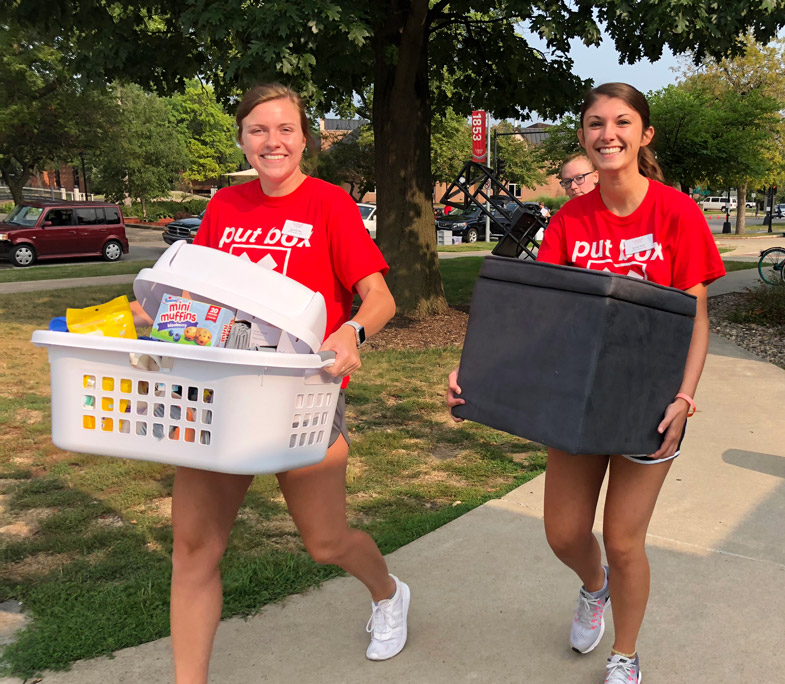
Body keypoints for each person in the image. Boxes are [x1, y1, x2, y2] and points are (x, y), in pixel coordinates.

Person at [447, 83, 725, 684]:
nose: (608, 134)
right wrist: (476, 374)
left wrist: (684, 396)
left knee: (624, 540)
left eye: (622, 122)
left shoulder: (677, 212)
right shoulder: (571, 218)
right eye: (595, 123)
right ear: (583, 136)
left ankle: (625, 653)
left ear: (644, 135)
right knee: (565, 532)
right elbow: (541, 317)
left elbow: (695, 317)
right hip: (578, 399)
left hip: (650, 401)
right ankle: (592, 587)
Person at [137, 83, 409, 684]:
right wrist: (146, 322)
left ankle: (388, 593)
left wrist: (353, 334)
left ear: (304, 140)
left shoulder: (330, 204)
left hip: (302, 397)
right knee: (194, 549)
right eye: (258, 130)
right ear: (242, 139)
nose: (272, 141)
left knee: (326, 542)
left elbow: (379, 297)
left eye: (285, 129)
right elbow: (195, 296)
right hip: (219, 395)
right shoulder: (224, 206)